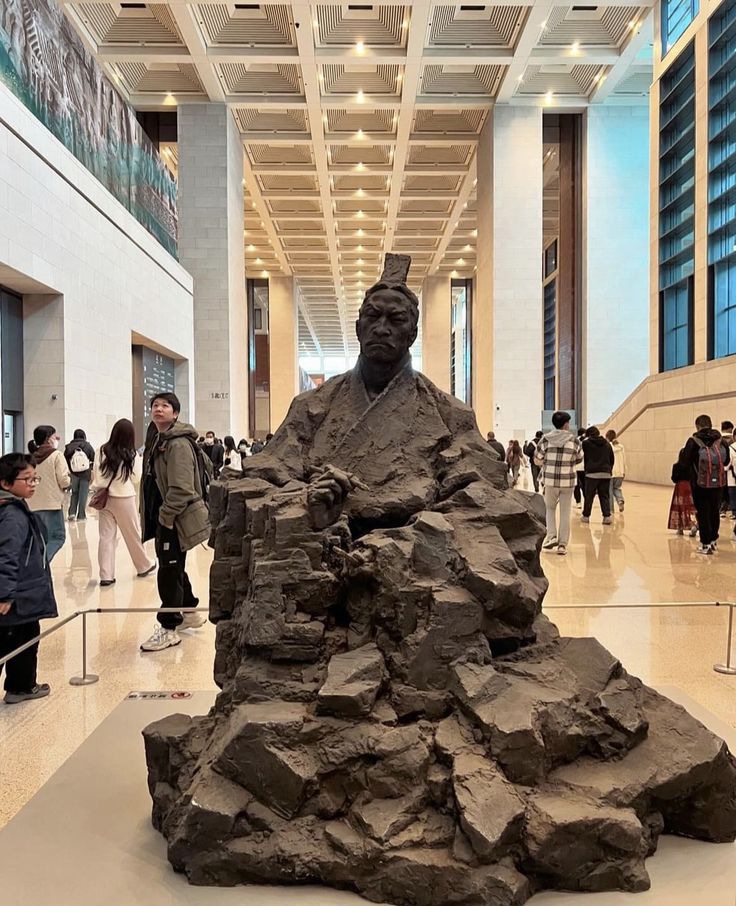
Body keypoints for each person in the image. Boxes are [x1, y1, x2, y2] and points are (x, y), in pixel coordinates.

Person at [139, 393, 211, 651]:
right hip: (168, 517)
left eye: (165, 406)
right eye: (155, 405)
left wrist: (165, 518)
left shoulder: (177, 444)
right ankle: (189, 611)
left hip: (174, 518)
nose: (158, 409)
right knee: (173, 565)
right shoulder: (159, 439)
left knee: (168, 571)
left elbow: (181, 488)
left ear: (176, 413)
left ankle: (169, 628)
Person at [0, 453, 57, 703]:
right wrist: (4, 594)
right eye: (27, 479)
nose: (33, 484)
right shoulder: (12, 515)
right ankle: (21, 687)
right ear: (6, 483)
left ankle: (21, 686)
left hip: (20, 591)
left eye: (35, 478)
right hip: (18, 595)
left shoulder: (14, 507)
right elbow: (7, 555)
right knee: (20, 640)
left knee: (20, 638)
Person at [93, 418, 156, 587]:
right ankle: (143, 565)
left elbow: (96, 474)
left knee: (106, 537)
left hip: (104, 498)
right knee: (132, 534)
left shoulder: (101, 450)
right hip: (124, 497)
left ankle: (106, 575)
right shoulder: (131, 454)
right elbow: (136, 478)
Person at [676, 415, 730, 554]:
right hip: (718, 484)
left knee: (703, 512)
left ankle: (705, 544)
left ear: (697, 426)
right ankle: (713, 541)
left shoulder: (693, 441)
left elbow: (684, 463)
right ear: (710, 425)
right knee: (714, 511)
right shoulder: (721, 441)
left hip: (699, 484)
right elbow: (726, 461)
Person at [534, 410, 583, 556]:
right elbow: (579, 458)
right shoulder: (575, 441)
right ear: (566, 424)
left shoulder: (545, 439)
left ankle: (551, 536)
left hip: (550, 480)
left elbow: (537, 458)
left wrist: (547, 462)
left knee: (550, 509)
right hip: (568, 481)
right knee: (565, 512)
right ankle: (562, 545)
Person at [27, 425, 70, 562]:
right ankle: (42, 564)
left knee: (40, 539)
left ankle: (37, 565)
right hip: (52, 504)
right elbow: (63, 480)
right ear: (48, 439)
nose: (57, 438)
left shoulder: (31, 458)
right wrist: (69, 482)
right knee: (57, 537)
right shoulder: (57, 455)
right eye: (54, 436)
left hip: (33, 503)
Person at [581, 426, 614, 525]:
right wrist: (608, 470)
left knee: (589, 496)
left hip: (591, 474)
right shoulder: (607, 444)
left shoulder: (586, 444)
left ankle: (586, 516)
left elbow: (582, 452)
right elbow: (612, 459)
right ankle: (606, 517)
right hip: (605, 473)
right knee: (604, 496)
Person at [64, 429, 95, 522]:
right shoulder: (88, 446)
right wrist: (89, 467)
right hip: (85, 474)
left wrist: (71, 469)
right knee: (83, 494)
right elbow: (94, 458)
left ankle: (72, 513)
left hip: (73, 474)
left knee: (74, 493)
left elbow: (65, 460)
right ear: (83, 436)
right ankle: (81, 515)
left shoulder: (69, 447)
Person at [669, 452, 698, 536]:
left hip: (679, 487)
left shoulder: (676, 466)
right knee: (690, 507)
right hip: (689, 486)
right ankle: (694, 525)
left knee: (680, 507)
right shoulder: (690, 466)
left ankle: (680, 528)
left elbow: (674, 478)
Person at [605, 429, 626, 514]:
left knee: (609, 491)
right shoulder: (621, 447)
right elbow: (624, 459)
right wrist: (624, 471)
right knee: (617, 488)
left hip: (610, 472)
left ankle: (611, 510)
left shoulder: (607, 446)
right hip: (620, 472)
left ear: (607, 437)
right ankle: (620, 500)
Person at [720, 421, 734, 517]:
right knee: (730, 489)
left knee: (722, 489)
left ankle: (722, 508)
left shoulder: (717, 439)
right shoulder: (732, 440)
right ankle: (730, 506)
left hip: (719, 469)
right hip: (731, 470)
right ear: (730, 429)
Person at [573, 427, 586, 508]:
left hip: (575, 467)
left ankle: (578, 502)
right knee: (585, 485)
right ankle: (586, 499)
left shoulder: (574, 442)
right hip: (584, 467)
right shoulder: (587, 442)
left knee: (576, 485)